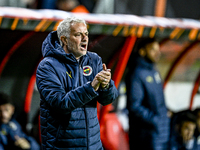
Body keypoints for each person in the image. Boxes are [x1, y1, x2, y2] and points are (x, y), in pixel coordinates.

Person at [36, 17, 118, 149]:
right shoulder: (48, 66)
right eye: (78, 35)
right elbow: (60, 104)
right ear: (64, 39)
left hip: (93, 146)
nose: (85, 38)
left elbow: (108, 100)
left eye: (86, 34)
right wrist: (91, 87)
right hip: (63, 146)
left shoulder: (93, 60)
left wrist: (107, 85)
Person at [125, 38, 171, 150]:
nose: (157, 53)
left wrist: (166, 114)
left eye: (158, 49)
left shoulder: (154, 71)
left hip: (161, 131)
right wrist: (156, 120)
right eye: (153, 50)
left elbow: (159, 101)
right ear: (142, 51)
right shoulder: (136, 74)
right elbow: (135, 106)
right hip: (146, 135)